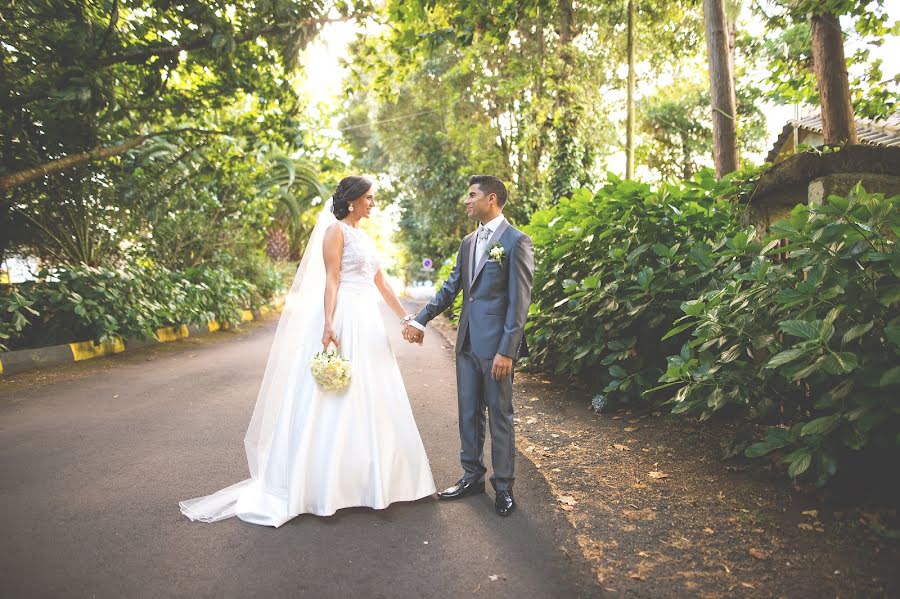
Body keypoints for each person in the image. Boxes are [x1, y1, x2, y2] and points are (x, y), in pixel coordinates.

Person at [180, 176, 436, 527]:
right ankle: (323, 484)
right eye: (370, 198)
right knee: (335, 396)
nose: (373, 203)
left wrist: (407, 317)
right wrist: (329, 324)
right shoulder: (336, 232)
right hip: (345, 315)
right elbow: (332, 279)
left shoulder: (364, 235)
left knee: (374, 394)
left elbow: (382, 282)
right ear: (352, 202)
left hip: (368, 321)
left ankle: (373, 481)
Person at [403, 175, 534, 516]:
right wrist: (420, 319)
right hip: (466, 345)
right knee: (467, 413)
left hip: (496, 350)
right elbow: (451, 287)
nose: (467, 200)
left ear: (492, 199)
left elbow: (519, 303)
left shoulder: (517, 242)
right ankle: (471, 476)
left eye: (472, 195)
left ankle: (504, 487)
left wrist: (507, 350)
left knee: (500, 416)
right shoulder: (468, 242)